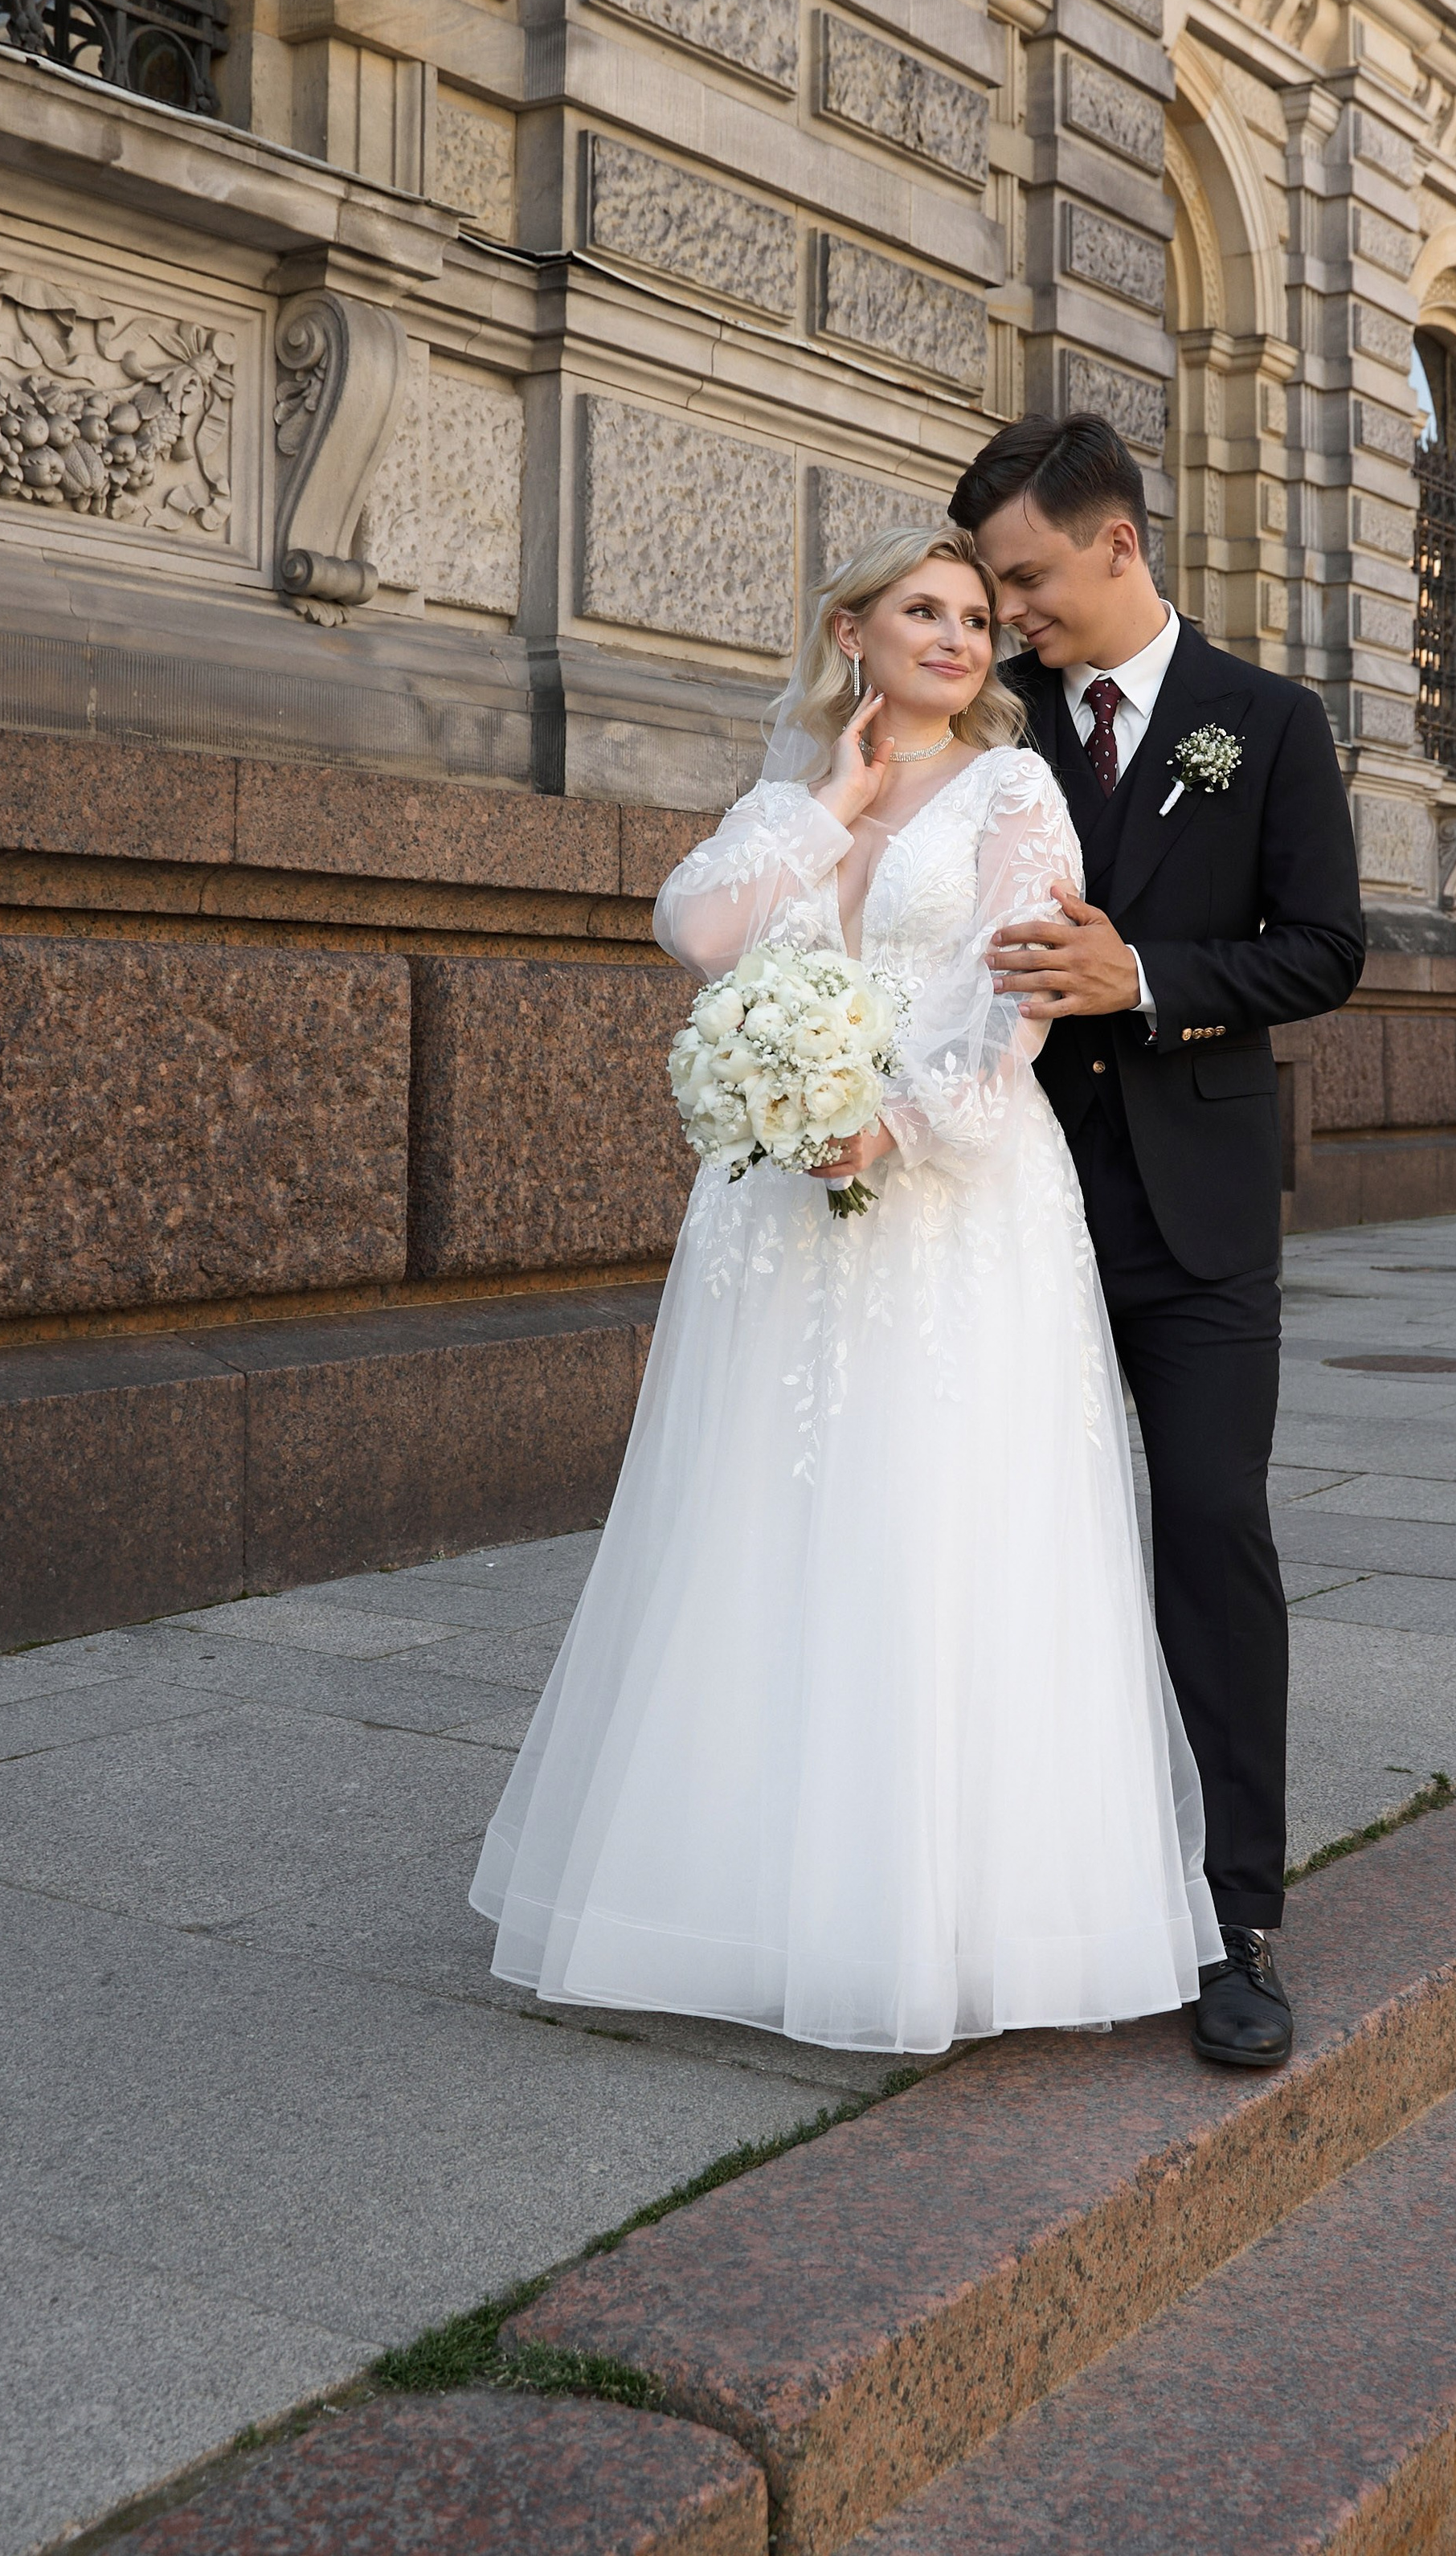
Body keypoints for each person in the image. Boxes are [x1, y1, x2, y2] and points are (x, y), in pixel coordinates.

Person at [469, 523, 1223, 2053]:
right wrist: (835, 805)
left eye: (972, 618)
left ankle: (951, 1925)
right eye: (922, 613)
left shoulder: (1020, 789)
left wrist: (894, 1118)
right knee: (768, 1517)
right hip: (781, 1226)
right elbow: (695, 929)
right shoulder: (793, 796)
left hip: (956, 1199)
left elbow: (1022, 1000)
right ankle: (750, 1907)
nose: (957, 638)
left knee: (941, 1520)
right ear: (855, 633)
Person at [948, 415, 1365, 2068]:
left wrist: (1149, 983)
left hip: (1193, 1218)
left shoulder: (1264, 722)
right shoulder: (990, 726)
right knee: (1010, 1547)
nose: (1007, 612)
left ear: (1116, 543)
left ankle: (1236, 1914)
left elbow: (1323, 949)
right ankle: (1008, 1902)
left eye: (1027, 576)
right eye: (991, 586)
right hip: (1007, 1201)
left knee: (1207, 1531)